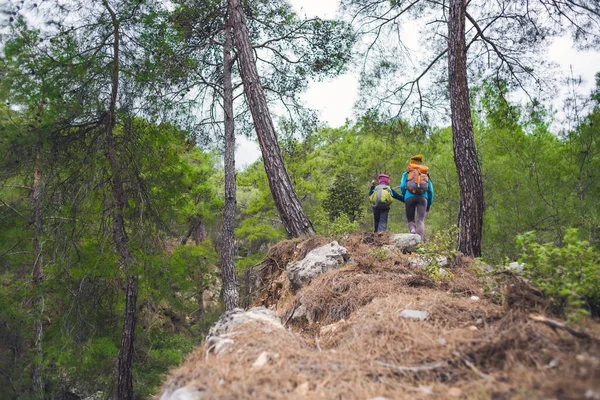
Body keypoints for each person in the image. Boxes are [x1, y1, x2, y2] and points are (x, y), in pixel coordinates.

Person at [400, 155, 434, 238]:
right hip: (423, 198)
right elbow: (430, 191)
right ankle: (420, 241)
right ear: (421, 163)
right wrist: (428, 204)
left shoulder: (407, 173)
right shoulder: (425, 174)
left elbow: (402, 186)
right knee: (420, 220)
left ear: (411, 162)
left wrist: (405, 197)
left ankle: (412, 230)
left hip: (409, 197)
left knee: (410, 219)